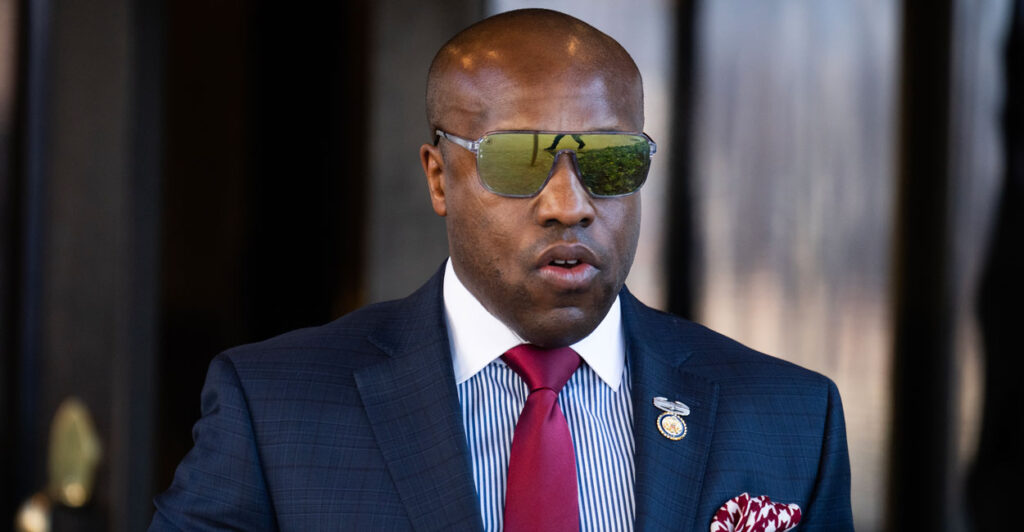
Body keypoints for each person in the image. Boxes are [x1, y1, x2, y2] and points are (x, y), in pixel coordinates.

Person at [150, 9, 852, 531]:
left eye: (611, 162)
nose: (569, 206)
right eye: (519, 161)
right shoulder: (277, 411)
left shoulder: (789, 418)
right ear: (438, 178)